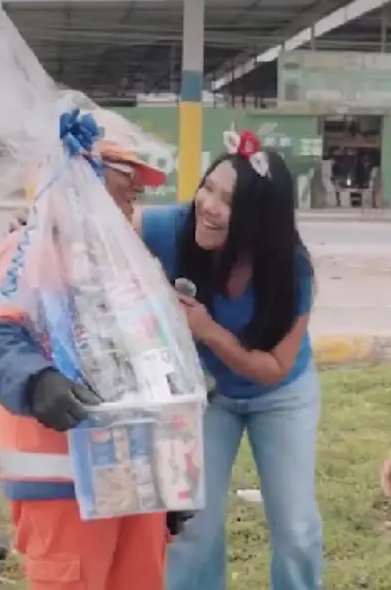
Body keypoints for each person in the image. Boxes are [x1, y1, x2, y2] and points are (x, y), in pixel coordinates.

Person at [0, 115, 172, 590]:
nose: (134, 199)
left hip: (133, 480)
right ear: (84, 183)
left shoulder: (125, 259)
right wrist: (39, 381)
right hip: (64, 487)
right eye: (126, 185)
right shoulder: (29, 252)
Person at [139, 132, 320, 590]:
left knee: (296, 530)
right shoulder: (178, 227)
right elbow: (112, 220)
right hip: (208, 394)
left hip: (281, 397)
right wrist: (43, 221)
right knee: (191, 524)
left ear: (260, 221)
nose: (209, 205)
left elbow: (276, 367)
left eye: (229, 201)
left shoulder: (294, 272)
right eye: (209, 188)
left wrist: (208, 332)